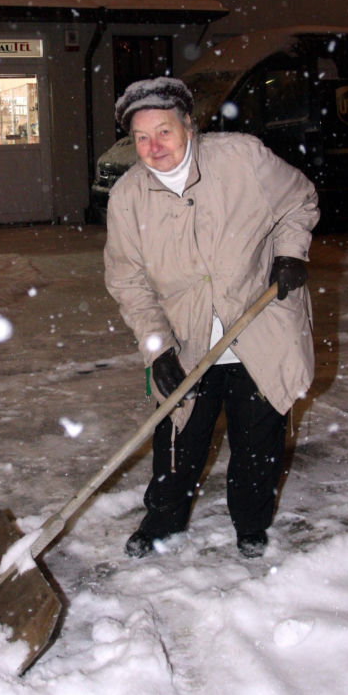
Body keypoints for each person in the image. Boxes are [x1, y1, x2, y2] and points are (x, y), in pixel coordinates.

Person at [104, 77, 319, 559]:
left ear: (189, 126)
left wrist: (289, 252)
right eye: (141, 138)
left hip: (259, 324)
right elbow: (127, 281)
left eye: (164, 131)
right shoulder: (128, 198)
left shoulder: (242, 159)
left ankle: (251, 524)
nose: (154, 147)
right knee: (177, 439)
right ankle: (163, 520)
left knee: (258, 439)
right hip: (187, 339)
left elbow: (299, 199)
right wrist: (158, 347)